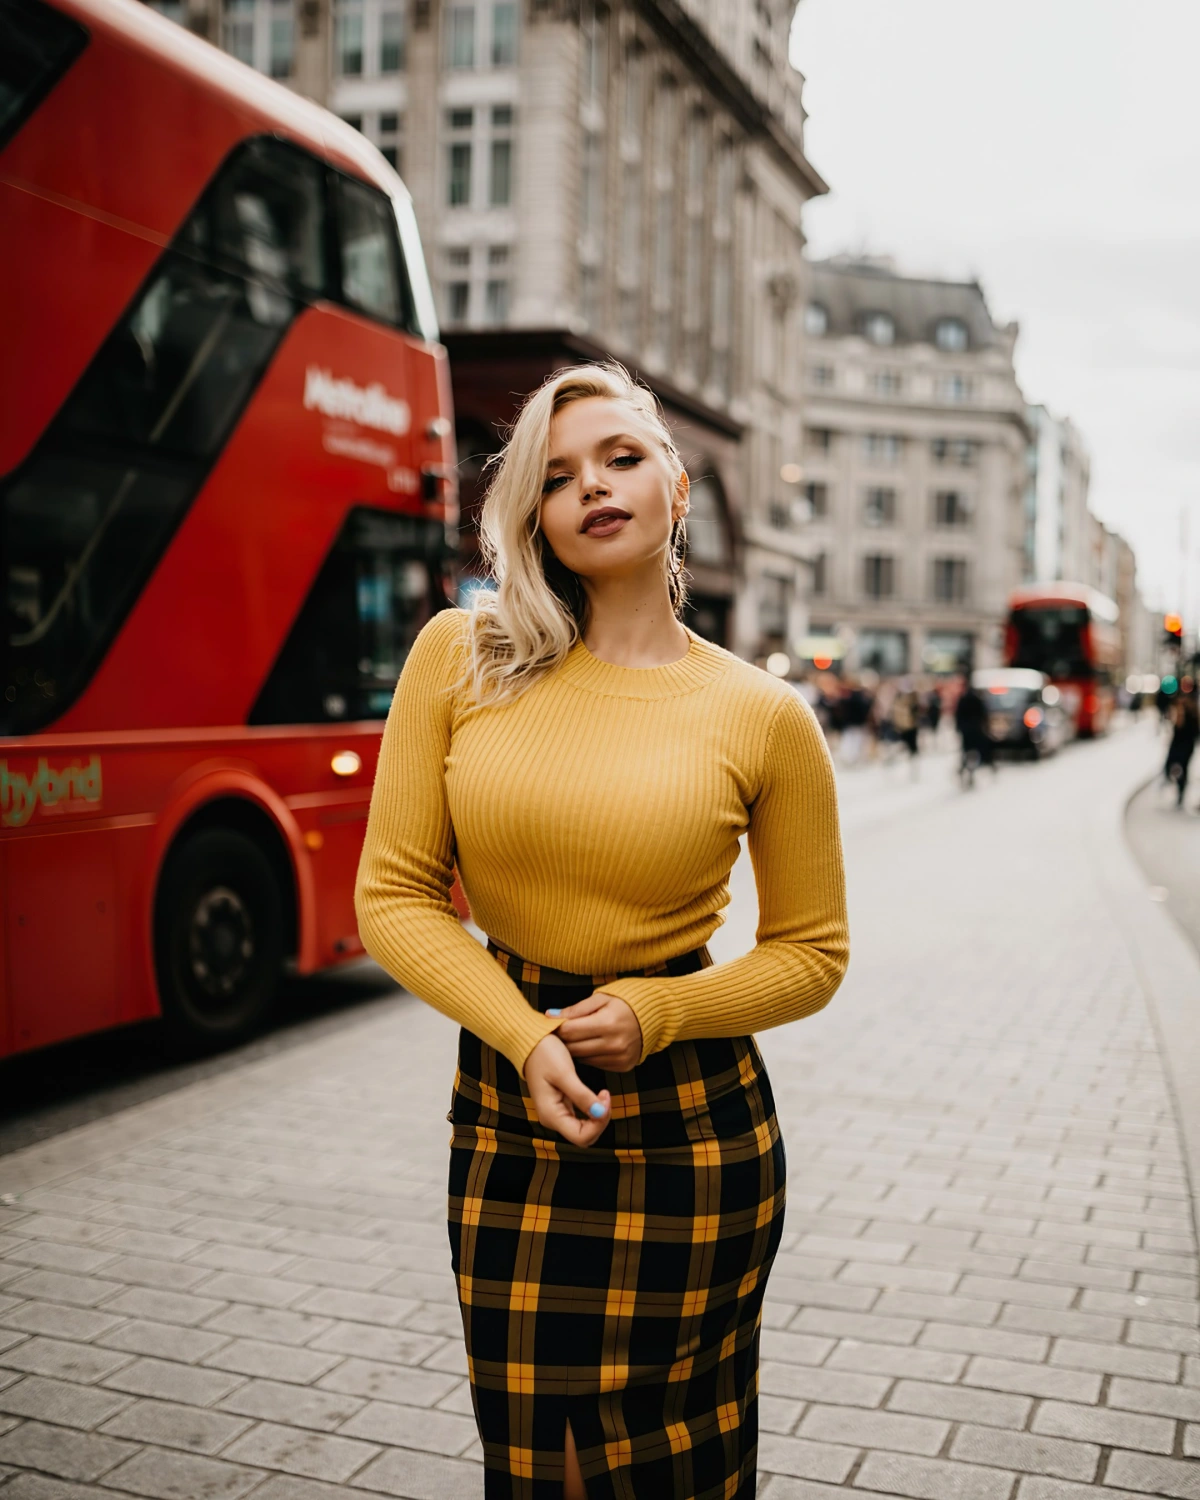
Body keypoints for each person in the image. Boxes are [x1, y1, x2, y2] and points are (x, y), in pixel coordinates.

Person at [355, 364, 849, 1500]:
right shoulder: (458, 659)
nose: (593, 488)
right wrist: (526, 1039)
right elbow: (392, 896)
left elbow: (813, 953)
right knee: (539, 1465)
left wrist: (662, 1008)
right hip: (508, 1105)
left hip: (695, 1124)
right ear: (532, 514)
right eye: (557, 475)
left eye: (620, 458)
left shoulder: (764, 715)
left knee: (674, 1466)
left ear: (675, 483)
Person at [954, 678, 993, 787]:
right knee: (978, 751)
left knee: (967, 752)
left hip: (967, 730)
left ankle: (966, 769)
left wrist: (959, 728)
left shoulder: (963, 699)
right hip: (975, 729)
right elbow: (984, 714)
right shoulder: (977, 699)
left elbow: (958, 716)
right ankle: (973, 769)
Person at [1164, 689, 1199, 808]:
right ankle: (1179, 788)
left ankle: (1181, 790)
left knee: (1181, 767)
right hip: (1181, 745)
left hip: (1185, 746)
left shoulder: (1189, 714)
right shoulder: (1180, 713)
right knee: (1174, 766)